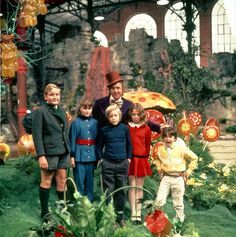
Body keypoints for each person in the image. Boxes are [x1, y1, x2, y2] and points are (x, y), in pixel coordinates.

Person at [32, 83, 70, 221]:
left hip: (63, 152)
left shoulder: (62, 111)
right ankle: (45, 213)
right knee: (46, 181)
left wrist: (69, 153)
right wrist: (41, 156)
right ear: (46, 96)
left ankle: (63, 210)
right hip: (49, 153)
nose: (55, 97)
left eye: (57, 94)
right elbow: (37, 136)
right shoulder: (40, 112)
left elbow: (65, 133)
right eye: (52, 94)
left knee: (62, 180)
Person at [96, 104, 132, 228]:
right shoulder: (104, 130)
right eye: (111, 116)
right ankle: (110, 218)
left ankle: (120, 218)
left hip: (122, 163)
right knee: (108, 191)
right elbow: (99, 146)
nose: (113, 118)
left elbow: (129, 144)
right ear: (108, 117)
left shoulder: (125, 128)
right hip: (108, 163)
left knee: (121, 190)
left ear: (120, 116)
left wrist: (128, 158)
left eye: (115, 115)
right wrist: (101, 158)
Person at [92, 70, 164, 133]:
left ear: (122, 89)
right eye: (113, 88)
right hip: (103, 143)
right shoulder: (99, 104)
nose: (116, 91)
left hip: (123, 143)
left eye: (118, 88)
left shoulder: (129, 105)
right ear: (109, 90)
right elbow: (92, 122)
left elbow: (141, 119)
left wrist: (158, 127)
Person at [153, 127, 198, 224]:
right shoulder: (160, 149)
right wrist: (159, 167)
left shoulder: (181, 149)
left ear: (175, 138)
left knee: (178, 202)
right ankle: (158, 220)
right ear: (163, 138)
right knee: (159, 201)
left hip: (178, 178)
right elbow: (157, 159)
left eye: (170, 137)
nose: (168, 139)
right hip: (166, 178)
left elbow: (194, 158)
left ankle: (179, 221)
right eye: (165, 137)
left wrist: (189, 171)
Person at [69, 97, 98, 202]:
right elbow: (72, 140)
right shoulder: (75, 122)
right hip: (79, 157)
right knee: (79, 182)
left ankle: (89, 204)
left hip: (91, 157)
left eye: (89, 108)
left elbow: (98, 140)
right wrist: (72, 156)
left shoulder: (95, 123)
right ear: (80, 109)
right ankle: (80, 204)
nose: (87, 111)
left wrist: (98, 157)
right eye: (84, 108)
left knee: (89, 182)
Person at [128, 103, 152, 225]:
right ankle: (133, 212)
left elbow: (147, 145)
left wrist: (145, 157)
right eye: (133, 114)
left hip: (141, 159)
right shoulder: (127, 127)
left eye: (137, 114)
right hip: (131, 159)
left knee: (139, 187)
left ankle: (138, 212)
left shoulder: (146, 128)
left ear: (141, 115)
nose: (135, 117)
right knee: (132, 186)